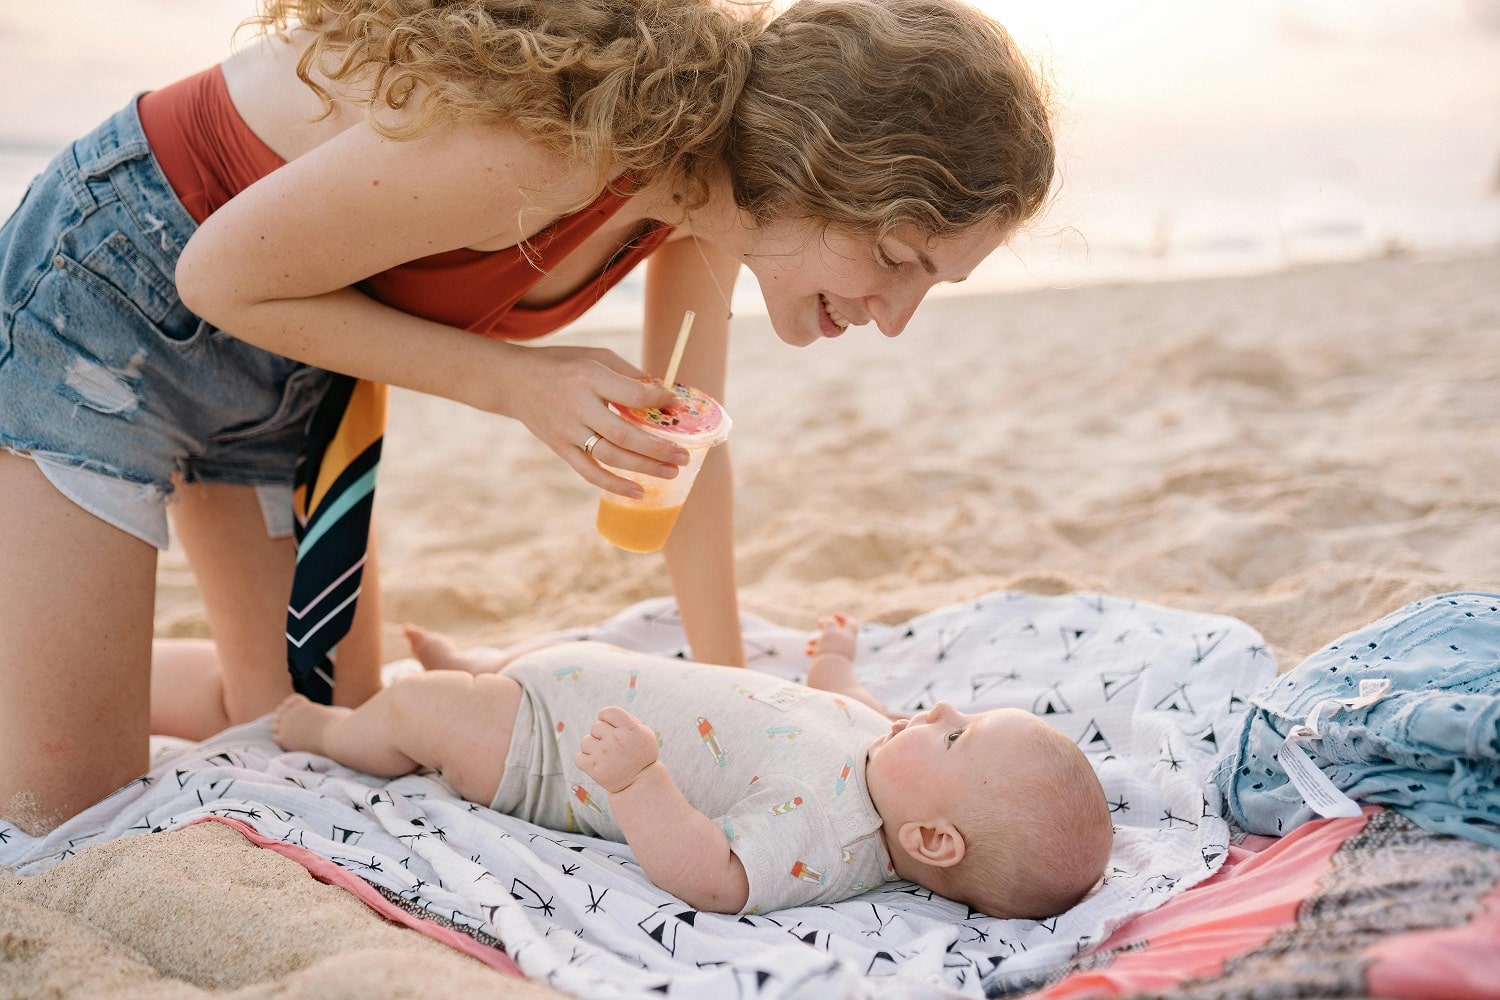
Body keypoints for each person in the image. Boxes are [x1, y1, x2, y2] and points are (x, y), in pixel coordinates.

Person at [0, 0, 1055, 833]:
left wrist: (744, 704)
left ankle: (51, 667)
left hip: (292, 360)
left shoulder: (711, 205)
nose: (897, 316)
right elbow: (216, 273)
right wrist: (519, 384)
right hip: (114, 299)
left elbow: (691, 456)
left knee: (306, 723)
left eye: (933, 285)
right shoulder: (570, 146)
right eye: (898, 260)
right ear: (822, 168)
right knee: (65, 810)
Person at [273, 614, 1113, 918]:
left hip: (543, 750)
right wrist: (835, 661)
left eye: (958, 737)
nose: (939, 712)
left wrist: (640, 783)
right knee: (502, 671)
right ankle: (483, 665)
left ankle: (332, 732)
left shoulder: (826, 835)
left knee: (426, 712)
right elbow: (844, 697)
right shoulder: (891, 754)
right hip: (575, 682)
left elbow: (710, 876)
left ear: (932, 840)